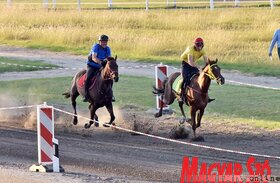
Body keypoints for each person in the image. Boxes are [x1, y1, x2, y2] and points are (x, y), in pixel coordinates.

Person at [179, 37, 214, 103]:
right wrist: (199, 67)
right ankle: (181, 95)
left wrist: (206, 67)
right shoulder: (190, 49)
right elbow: (190, 62)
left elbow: (206, 61)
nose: (199, 48)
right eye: (198, 46)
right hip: (186, 64)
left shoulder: (203, 50)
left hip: (193, 63)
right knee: (184, 78)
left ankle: (206, 95)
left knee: (200, 78)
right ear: (195, 45)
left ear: (202, 45)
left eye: (200, 46)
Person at [83, 34, 113, 102]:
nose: (104, 43)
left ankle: (111, 94)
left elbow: (109, 58)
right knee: (88, 78)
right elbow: (94, 57)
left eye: (105, 41)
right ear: (99, 42)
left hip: (102, 66)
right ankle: (86, 95)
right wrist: (101, 63)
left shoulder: (108, 48)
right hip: (92, 65)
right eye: (102, 41)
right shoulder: (96, 47)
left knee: (110, 78)